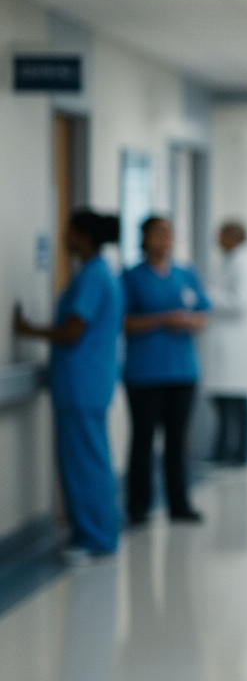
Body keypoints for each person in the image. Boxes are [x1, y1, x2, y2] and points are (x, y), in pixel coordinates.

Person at [13, 210, 123, 563]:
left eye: (69, 231)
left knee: (84, 462)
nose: (64, 238)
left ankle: (94, 538)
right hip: (88, 381)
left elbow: (74, 331)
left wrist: (29, 330)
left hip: (81, 383)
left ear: (83, 236)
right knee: (89, 459)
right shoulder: (100, 272)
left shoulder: (93, 276)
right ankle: (96, 534)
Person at [122, 216, 211, 525]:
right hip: (144, 374)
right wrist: (163, 319)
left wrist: (189, 321)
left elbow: (203, 314)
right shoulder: (131, 277)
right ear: (144, 238)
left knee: (177, 442)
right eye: (158, 233)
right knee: (143, 441)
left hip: (182, 372)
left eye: (168, 233)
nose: (164, 239)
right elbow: (123, 323)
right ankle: (138, 506)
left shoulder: (186, 275)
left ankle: (179, 504)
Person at [203, 221, 247, 465]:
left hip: (237, 343)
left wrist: (208, 295)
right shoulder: (230, 261)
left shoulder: (246, 262)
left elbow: (241, 303)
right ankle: (224, 452)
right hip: (227, 342)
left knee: (236, 404)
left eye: (221, 235)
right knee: (224, 403)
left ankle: (239, 454)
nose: (217, 241)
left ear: (234, 236)